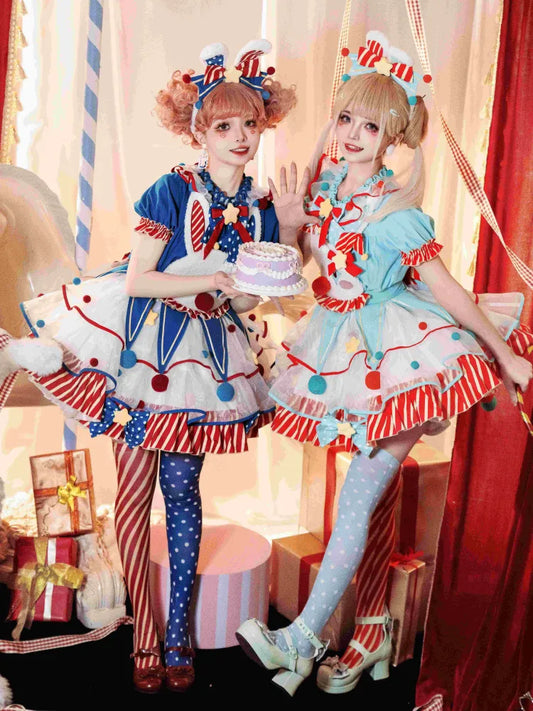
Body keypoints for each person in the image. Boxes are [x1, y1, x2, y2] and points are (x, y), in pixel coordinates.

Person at [236, 30, 533, 696]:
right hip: (339, 353)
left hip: (401, 357)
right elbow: (301, 267)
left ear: (392, 137)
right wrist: (289, 223)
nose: (351, 135)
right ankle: (347, 634)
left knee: (354, 503)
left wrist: (505, 355)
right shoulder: (326, 192)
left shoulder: (397, 213)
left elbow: (448, 291)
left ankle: (302, 641)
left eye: (369, 126)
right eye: (345, 118)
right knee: (359, 502)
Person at [19, 40, 296, 694]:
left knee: (183, 492)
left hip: (206, 358)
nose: (238, 136)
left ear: (263, 126)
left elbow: (247, 298)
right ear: (199, 130)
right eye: (223, 126)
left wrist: (283, 235)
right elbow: (139, 279)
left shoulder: (258, 203)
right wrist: (212, 279)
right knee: (135, 493)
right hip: (140, 347)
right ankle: (145, 635)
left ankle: (178, 638)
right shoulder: (170, 189)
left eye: (249, 123)